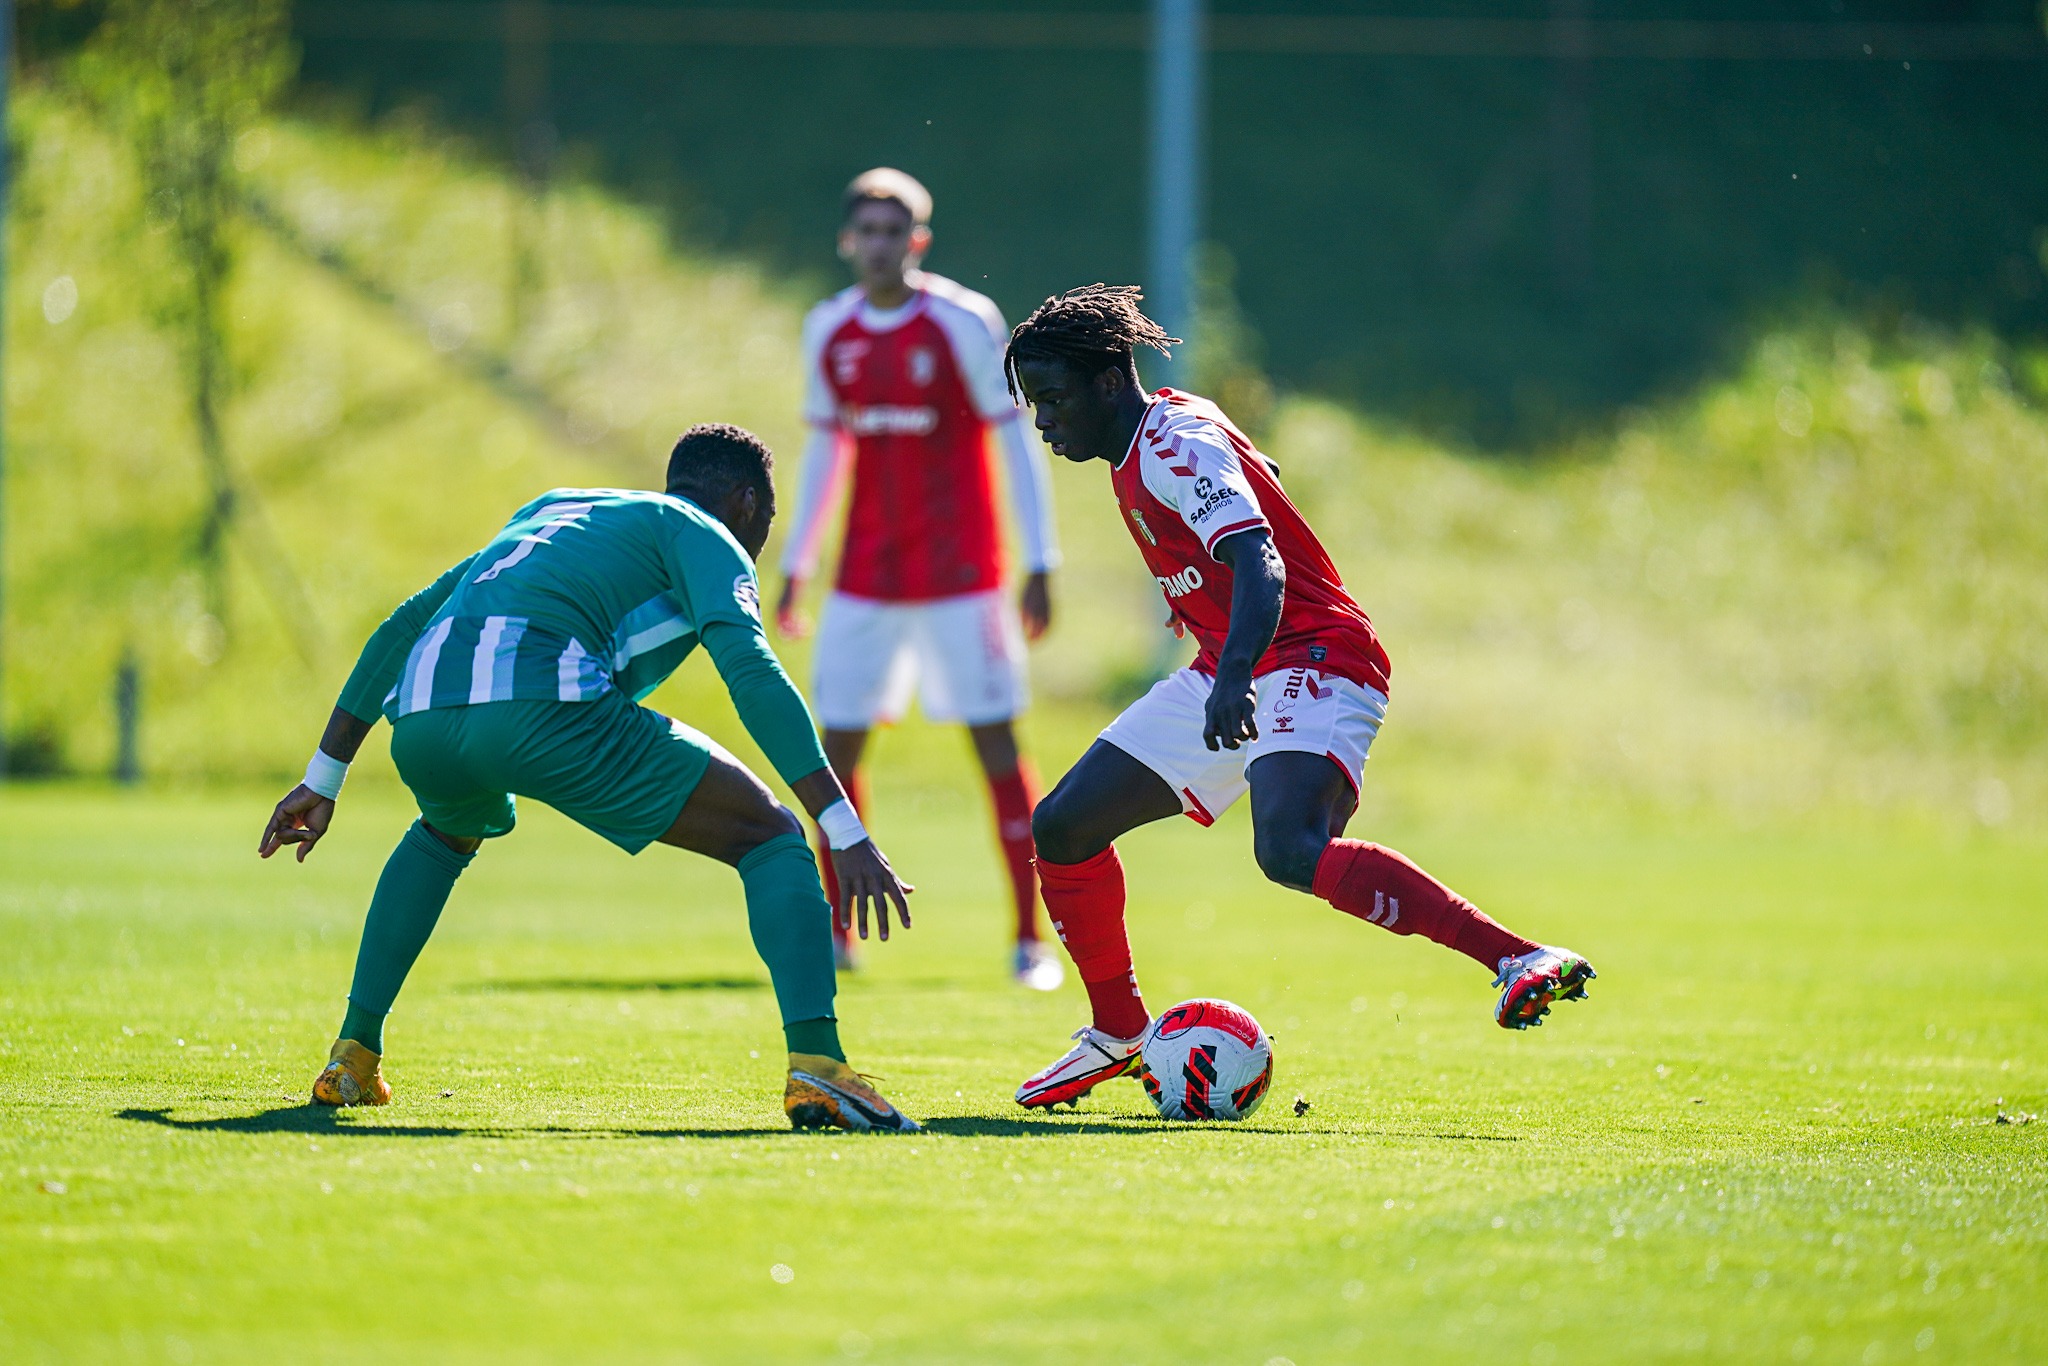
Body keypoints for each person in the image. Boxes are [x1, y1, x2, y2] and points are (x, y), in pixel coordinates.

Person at [1000, 286, 1597, 1110]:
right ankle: (1120, 1032)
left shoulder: (1172, 445)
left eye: (1054, 400)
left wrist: (1235, 674)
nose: (1042, 421)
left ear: (1107, 384)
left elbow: (1261, 560)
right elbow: (1263, 480)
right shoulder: (1169, 423)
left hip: (1309, 649)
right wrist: (1217, 630)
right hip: (1232, 659)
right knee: (1064, 828)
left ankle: (1519, 957)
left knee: (1288, 846)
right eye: (1035, 404)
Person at [258, 424, 920, 1133]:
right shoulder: (707, 533)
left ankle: (353, 1055)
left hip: (422, 715)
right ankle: (818, 1065)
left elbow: (402, 628)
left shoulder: (555, 510)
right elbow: (753, 674)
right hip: (542, 703)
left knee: (446, 831)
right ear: (746, 503)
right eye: (767, 520)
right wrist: (842, 828)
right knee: (772, 837)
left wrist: (324, 776)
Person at [775, 167, 1064, 988]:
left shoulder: (964, 322)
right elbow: (827, 448)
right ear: (846, 241)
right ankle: (838, 933)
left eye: (893, 231)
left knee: (996, 744)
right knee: (834, 750)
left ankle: (1029, 940)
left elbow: (1012, 437)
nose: (879, 245)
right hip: (865, 577)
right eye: (866, 231)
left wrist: (1040, 559)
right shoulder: (829, 328)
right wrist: (797, 564)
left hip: (963, 574)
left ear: (919, 241)